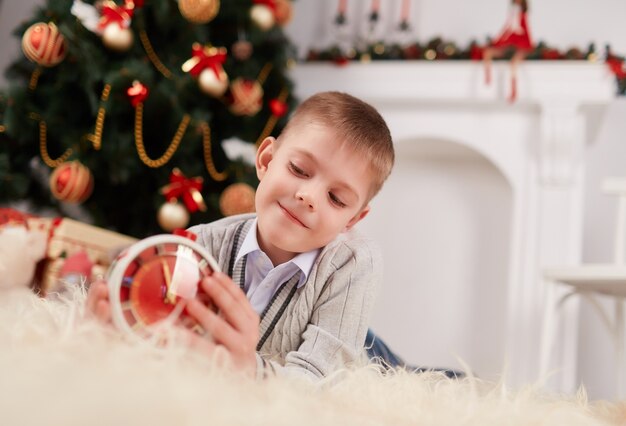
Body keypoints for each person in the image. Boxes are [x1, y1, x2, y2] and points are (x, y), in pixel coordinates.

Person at [86, 91, 395, 381]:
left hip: (357, 343)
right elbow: (164, 334)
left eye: (336, 199)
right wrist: (118, 325)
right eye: (299, 169)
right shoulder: (199, 244)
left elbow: (321, 380)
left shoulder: (353, 262)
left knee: (435, 379)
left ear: (352, 219)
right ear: (265, 160)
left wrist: (249, 370)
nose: (308, 196)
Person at [483, 0, 534, 102]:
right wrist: (498, 41)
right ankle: (488, 79)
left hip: (520, 44)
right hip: (510, 43)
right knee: (488, 52)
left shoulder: (522, 15)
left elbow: (522, 31)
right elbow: (507, 29)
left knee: (513, 62)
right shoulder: (512, 16)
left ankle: (514, 91)